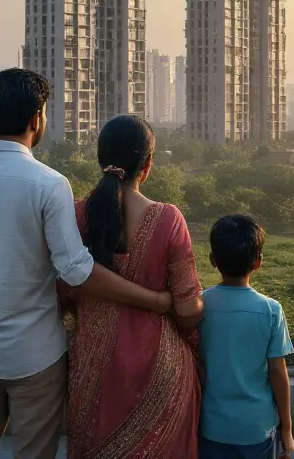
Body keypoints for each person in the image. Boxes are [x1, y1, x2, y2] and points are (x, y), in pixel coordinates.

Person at [0, 69, 173, 459]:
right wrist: (154, 300)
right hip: (36, 358)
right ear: (36, 119)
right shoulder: (48, 183)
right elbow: (77, 271)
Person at [62, 114, 205, 459]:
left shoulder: (75, 217)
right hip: (160, 373)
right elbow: (188, 309)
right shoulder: (169, 219)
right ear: (149, 164)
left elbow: (62, 291)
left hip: (93, 376)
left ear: (100, 159)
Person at [198, 215, 294, 459]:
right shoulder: (271, 310)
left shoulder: (198, 306)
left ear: (212, 260)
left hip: (211, 424)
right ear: (258, 262)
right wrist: (287, 428)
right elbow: (277, 373)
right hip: (256, 428)